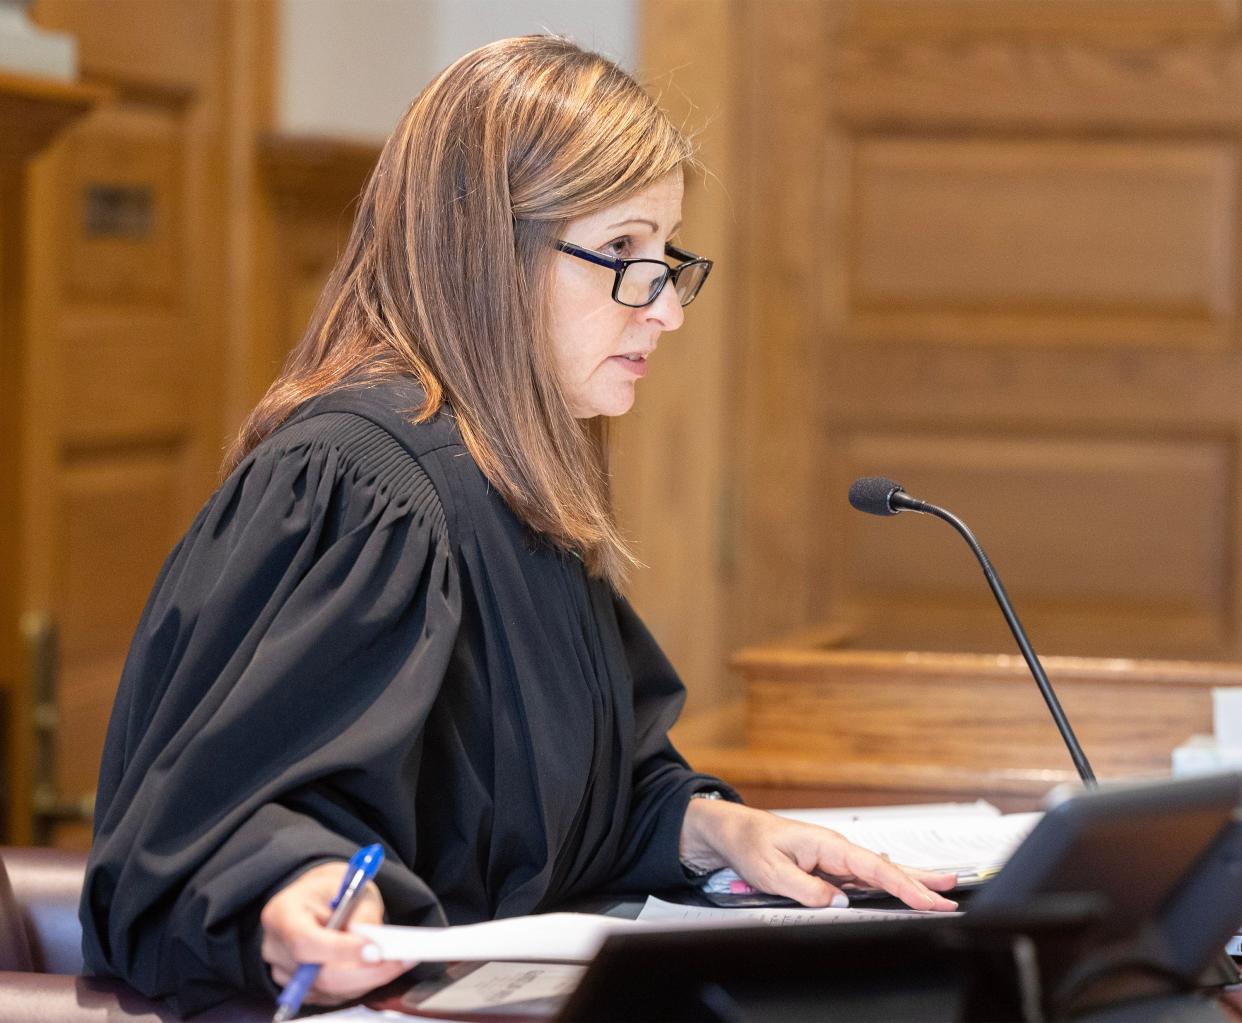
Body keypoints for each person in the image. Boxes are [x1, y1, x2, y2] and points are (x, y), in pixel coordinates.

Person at [79, 35, 957, 1017]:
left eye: (667, 255)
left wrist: (716, 831)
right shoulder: (357, 490)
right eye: (623, 253)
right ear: (486, 252)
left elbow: (580, 801)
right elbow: (208, 835)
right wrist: (298, 896)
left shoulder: (516, 483)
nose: (663, 306)